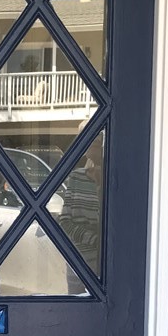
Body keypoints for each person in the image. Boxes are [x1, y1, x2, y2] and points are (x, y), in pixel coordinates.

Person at [59, 123, 103, 295]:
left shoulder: (116, 178)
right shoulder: (77, 177)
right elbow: (65, 222)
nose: (92, 143)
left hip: (108, 268)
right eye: (87, 138)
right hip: (78, 264)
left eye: (97, 138)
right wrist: (95, 241)